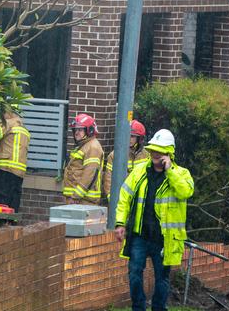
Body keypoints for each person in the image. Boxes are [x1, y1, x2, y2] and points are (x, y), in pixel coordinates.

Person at [115, 129, 194, 311]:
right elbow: (124, 197)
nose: (155, 154)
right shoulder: (139, 170)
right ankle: (138, 307)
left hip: (163, 239)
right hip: (140, 236)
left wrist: (170, 172)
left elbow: (185, 192)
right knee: (134, 273)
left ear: (169, 153)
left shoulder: (182, 174)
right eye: (153, 150)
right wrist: (120, 223)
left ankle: (158, 308)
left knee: (162, 278)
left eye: (159, 151)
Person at [62, 113, 104, 205]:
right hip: (76, 199)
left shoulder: (93, 147)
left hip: (83, 200)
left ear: (90, 131)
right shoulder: (83, 146)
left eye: (80, 130)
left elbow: (89, 174)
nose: (76, 133)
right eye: (75, 130)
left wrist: (77, 195)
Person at [102, 119, 149, 200]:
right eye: (127, 135)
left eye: (132, 136)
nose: (129, 138)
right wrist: (111, 198)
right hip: (121, 198)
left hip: (139, 199)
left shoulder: (146, 155)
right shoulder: (115, 155)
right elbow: (108, 178)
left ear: (140, 138)